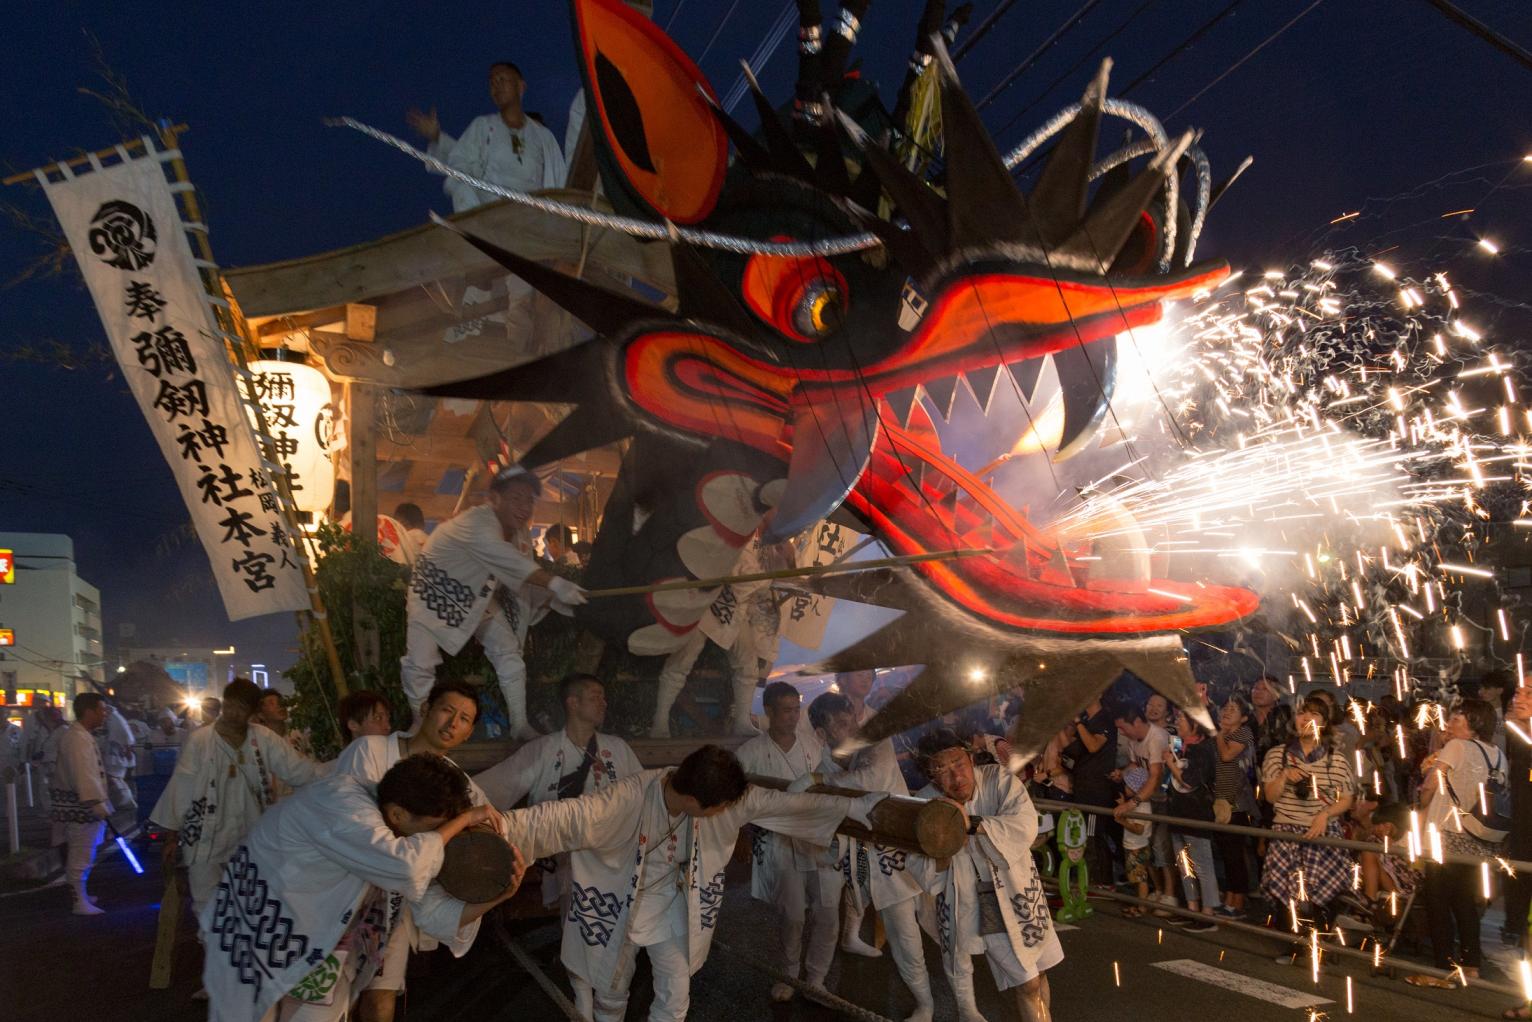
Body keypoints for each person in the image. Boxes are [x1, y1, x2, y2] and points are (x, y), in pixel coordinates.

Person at [499, 744, 881, 1022]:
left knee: (676, 991)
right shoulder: (628, 797)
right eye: (719, 809)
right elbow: (559, 818)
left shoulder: (725, 797)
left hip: (673, 905)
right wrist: (496, 826)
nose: (728, 813)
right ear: (696, 800)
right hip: (620, 904)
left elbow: (782, 804)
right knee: (612, 990)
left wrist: (851, 806)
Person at [202, 754, 521, 1022]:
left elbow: (432, 913)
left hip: (316, 948)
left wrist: (500, 894)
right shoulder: (343, 804)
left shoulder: (396, 835)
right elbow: (408, 866)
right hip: (253, 937)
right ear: (398, 813)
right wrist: (462, 820)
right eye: (435, 829)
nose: (439, 839)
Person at [475, 671, 642, 1014]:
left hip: (615, 860)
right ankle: (583, 1002)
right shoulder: (543, 750)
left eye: (604, 697)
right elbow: (494, 787)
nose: (603, 703)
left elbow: (645, 796)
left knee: (619, 933)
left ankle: (608, 1002)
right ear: (572, 702)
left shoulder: (618, 749)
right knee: (576, 926)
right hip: (569, 862)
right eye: (595, 696)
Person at [332, 680, 491, 1022]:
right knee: (330, 998)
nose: (452, 724)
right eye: (447, 710)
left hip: (390, 904)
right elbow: (352, 826)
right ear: (425, 710)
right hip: (340, 894)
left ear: (469, 732)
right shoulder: (369, 752)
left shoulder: (461, 787)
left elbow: (481, 830)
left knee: (380, 998)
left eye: (464, 719)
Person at [400, 464, 587, 738]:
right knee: (420, 663)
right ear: (495, 499)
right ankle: (420, 724)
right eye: (516, 498)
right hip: (431, 594)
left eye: (529, 500)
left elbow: (522, 578)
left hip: (476, 596)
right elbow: (510, 562)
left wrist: (557, 600)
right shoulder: (477, 523)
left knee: (508, 653)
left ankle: (520, 725)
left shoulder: (521, 533)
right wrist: (556, 584)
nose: (524, 507)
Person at [912, 730, 1063, 1022]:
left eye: (958, 763)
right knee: (1027, 981)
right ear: (931, 776)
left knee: (1040, 970)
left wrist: (972, 825)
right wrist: (944, 840)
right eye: (941, 771)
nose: (955, 777)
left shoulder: (997, 779)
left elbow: (1025, 823)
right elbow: (922, 868)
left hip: (1020, 890)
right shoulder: (925, 804)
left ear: (970, 758)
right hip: (979, 899)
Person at [151, 678, 329, 925]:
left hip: (250, 830)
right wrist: (171, 835)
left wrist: (338, 772)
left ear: (253, 713)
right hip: (205, 835)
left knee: (254, 897)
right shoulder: (200, 740)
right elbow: (181, 786)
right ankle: (212, 950)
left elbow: (298, 770)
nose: (234, 713)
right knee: (207, 902)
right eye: (230, 705)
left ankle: (244, 950)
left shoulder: (263, 738)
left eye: (242, 708)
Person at [806, 692, 934, 1022]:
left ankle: (925, 1003)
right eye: (835, 727)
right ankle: (815, 979)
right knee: (830, 910)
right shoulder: (825, 762)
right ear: (821, 733)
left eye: (849, 722)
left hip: (891, 851)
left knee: (903, 931)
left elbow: (869, 780)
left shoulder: (876, 744)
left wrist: (819, 781)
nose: (845, 732)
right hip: (853, 849)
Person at [737, 682, 835, 1001]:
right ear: (768, 711)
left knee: (827, 912)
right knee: (792, 913)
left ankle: (817, 977)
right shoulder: (750, 752)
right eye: (786, 710)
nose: (793, 716)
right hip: (780, 840)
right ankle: (790, 973)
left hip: (819, 839)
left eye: (797, 709)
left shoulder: (813, 745)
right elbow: (738, 795)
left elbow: (833, 784)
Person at [1406, 698, 1506, 988]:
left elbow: (1429, 788)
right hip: (1481, 840)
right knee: (1464, 904)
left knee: (1437, 902)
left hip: (1447, 836)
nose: (1449, 725)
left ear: (1473, 723)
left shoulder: (1456, 747)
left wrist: (1424, 787)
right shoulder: (1497, 754)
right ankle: (1471, 965)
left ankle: (1442, 971)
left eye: (1457, 720)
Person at [1259, 695, 1356, 955]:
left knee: (1320, 893)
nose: (1306, 719)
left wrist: (1325, 814)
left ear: (1324, 723)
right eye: (1302, 713)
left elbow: (1347, 798)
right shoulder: (1277, 755)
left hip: (1321, 831)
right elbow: (1270, 796)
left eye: (1314, 715)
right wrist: (1283, 776)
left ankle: (1316, 944)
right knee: (1283, 892)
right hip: (1286, 830)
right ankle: (1293, 946)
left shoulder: (1336, 759)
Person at [409, 61, 567, 213]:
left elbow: (561, 179)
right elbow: (460, 160)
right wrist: (436, 136)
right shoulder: (482, 126)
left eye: (502, 79)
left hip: (533, 212)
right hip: (491, 210)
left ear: (521, 86)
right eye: (491, 82)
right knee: (461, 186)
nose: (496, 86)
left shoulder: (543, 136)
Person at [51, 692, 111, 915]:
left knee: (84, 852)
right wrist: (97, 804)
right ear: (89, 711)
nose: (104, 714)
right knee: (81, 854)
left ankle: (82, 895)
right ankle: (79, 901)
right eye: (101, 710)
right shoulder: (77, 739)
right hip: (82, 808)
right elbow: (84, 776)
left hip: (80, 806)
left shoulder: (79, 735)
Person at [1112, 705, 1175, 918]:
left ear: (1136, 722)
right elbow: (1135, 765)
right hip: (1146, 797)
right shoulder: (1133, 741)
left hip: (1163, 798)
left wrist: (1132, 803)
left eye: (1123, 727)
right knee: (1147, 849)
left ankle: (1169, 894)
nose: (1122, 732)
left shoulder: (1156, 738)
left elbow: (1155, 775)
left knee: (1160, 845)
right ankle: (1156, 891)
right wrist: (1122, 773)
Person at [1162, 713, 1219, 932]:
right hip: (1178, 811)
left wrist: (1170, 764)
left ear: (1195, 725)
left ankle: (1208, 913)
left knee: (1202, 865)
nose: (1177, 723)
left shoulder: (1203, 750)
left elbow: (1190, 780)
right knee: (1185, 864)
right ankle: (1191, 909)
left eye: (1182, 721)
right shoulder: (1182, 746)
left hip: (1196, 813)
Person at [1211, 695, 1259, 917]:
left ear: (1244, 717)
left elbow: (1227, 754)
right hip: (1219, 801)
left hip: (1237, 803)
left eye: (1233, 709)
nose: (1227, 712)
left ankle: (1238, 901)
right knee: (1225, 851)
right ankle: (1229, 897)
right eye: (1225, 708)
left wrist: (1219, 734)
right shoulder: (1221, 734)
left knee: (1234, 853)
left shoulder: (1243, 733)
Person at [1063, 696, 1117, 886]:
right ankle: (1091, 878)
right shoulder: (1087, 722)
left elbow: (1093, 746)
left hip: (1096, 791)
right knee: (1085, 835)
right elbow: (1071, 753)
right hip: (1083, 788)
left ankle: (1101, 881)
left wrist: (1077, 722)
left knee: (1095, 836)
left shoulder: (1104, 720)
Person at [96, 700, 138, 828]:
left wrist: (126, 749)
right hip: (114, 757)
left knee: (113, 781)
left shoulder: (115, 720)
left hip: (115, 759)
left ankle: (125, 802)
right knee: (113, 781)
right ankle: (119, 803)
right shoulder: (116, 720)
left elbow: (123, 738)